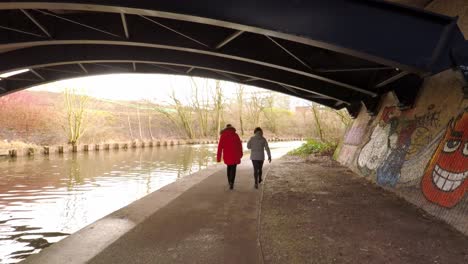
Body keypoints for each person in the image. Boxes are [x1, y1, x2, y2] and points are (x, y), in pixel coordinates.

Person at [217, 124, 243, 190]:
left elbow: (220, 147)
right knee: (234, 169)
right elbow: (239, 145)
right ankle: (232, 182)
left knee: (229, 167)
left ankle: (229, 181)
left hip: (227, 155)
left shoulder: (223, 135)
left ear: (226, 128)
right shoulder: (236, 135)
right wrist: (241, 154)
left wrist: (218, 158)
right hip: (235, 155)